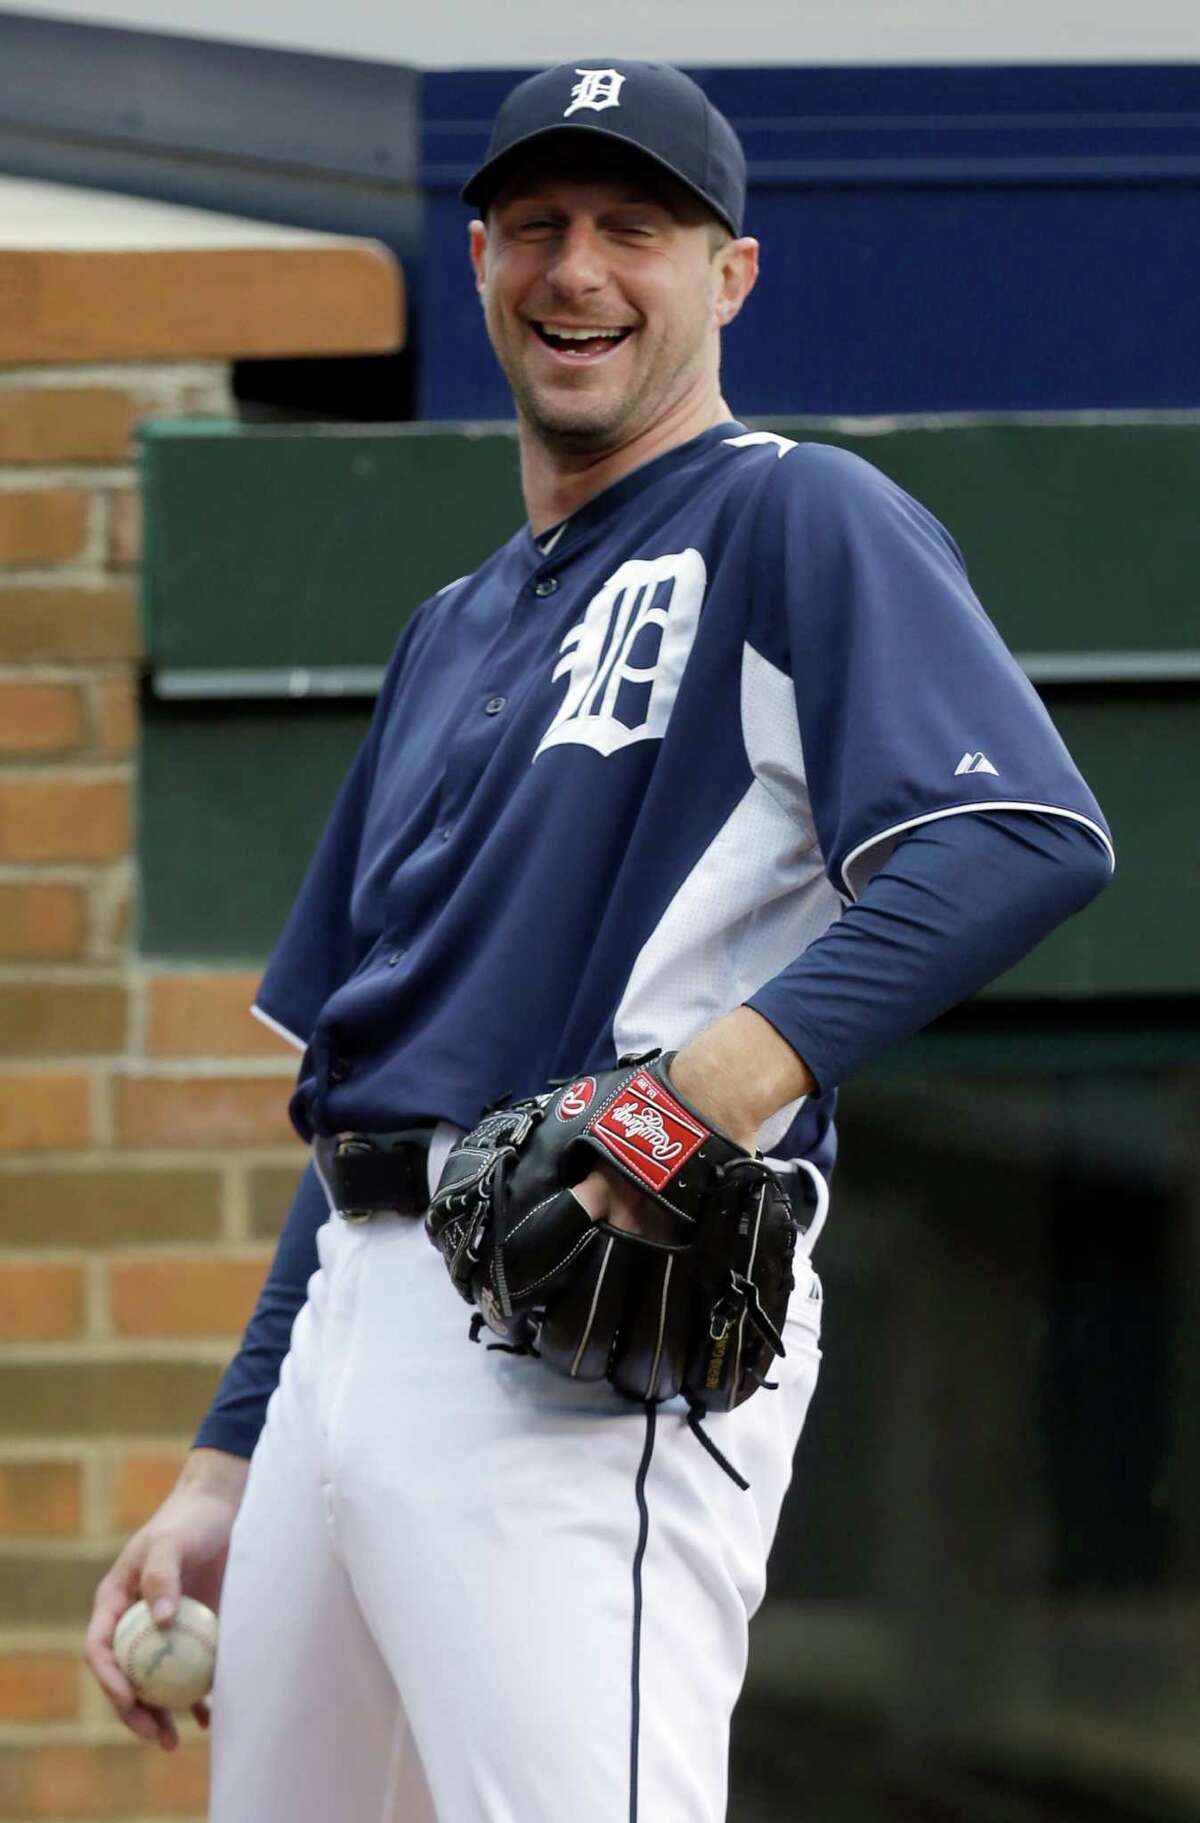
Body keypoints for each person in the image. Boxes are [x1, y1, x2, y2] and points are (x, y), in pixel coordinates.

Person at [85, 60, 1113, 1822]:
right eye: (540, 227)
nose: (579, 271)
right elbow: (361, 1095)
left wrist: (688, 1103)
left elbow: (1020, 837)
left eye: (636, 227)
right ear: (479, 259)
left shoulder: (796, 515)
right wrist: (227, 1458)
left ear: (732, 276)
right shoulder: (449, 628)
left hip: (575, 1344)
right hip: (359, 1330)